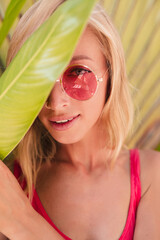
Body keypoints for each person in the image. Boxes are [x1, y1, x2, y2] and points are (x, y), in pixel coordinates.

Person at [0, 0, 160, 239]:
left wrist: (23, 220)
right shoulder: (11, 185)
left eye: (77, 72)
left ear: (110, 70)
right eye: (39, 81)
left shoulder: (152, 175)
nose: (56, 102)